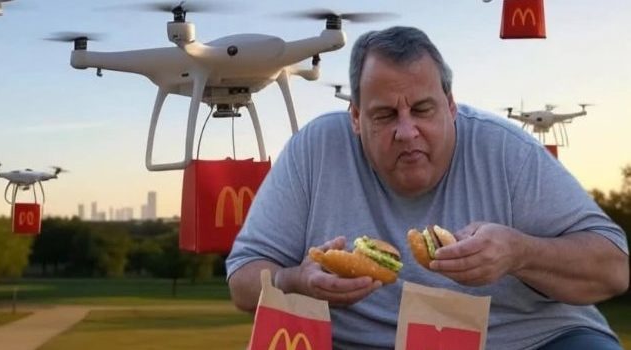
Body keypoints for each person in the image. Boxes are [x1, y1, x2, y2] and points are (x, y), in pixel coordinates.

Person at [225, 26, 629, 349]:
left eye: (422, 109)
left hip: (528, 339)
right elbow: (243, 277)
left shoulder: (506, 150)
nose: (406, 131)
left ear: (450, 106)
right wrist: (293, 281)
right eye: (384, 114)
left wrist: (518, 252)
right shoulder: (316, 149)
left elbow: (614, 269)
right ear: (355, 117)